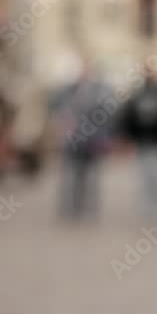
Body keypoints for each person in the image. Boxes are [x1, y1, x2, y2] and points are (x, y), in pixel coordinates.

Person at [50, 58, 115, 222]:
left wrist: (104, 139)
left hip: (91, 144)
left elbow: (105, 117)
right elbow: (56, 110)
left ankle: (89, 212)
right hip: (71, 144)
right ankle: (69, 211)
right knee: (70, 179)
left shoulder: (100, 93)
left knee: (91, 180)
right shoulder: (67, 92)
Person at [117, 68, 157, 220]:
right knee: (145, 177)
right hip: (143, 143)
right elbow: (128, 117)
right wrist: (128, 138)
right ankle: (147, 208)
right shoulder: (136, 94)